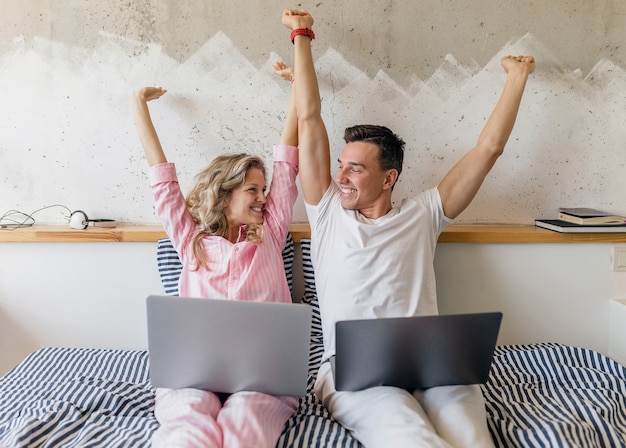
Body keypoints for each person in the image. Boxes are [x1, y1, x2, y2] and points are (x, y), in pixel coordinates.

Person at [282, 8, 536, 448]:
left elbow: (489, 149)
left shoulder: (425, 213)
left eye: (355, 169)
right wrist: (302, 35)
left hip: (431, 365)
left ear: (388, 178)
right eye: (340, 166)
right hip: (355, 372)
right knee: (411, 437)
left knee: (472, 439)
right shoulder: (326, 213)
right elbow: (309, 119)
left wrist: (517, 77)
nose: (340, 176)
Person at [130, 62, 299, 448]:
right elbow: (163, 180)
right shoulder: (191, 240)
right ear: (225, 197)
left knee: (245, 419)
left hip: (262, 375)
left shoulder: (270, 234)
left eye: (264, 190)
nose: (263, 198)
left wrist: (296, 89)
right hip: (196, 373)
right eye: (252, 191)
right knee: (189, 420)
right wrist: (138, 104)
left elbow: (287, 161)